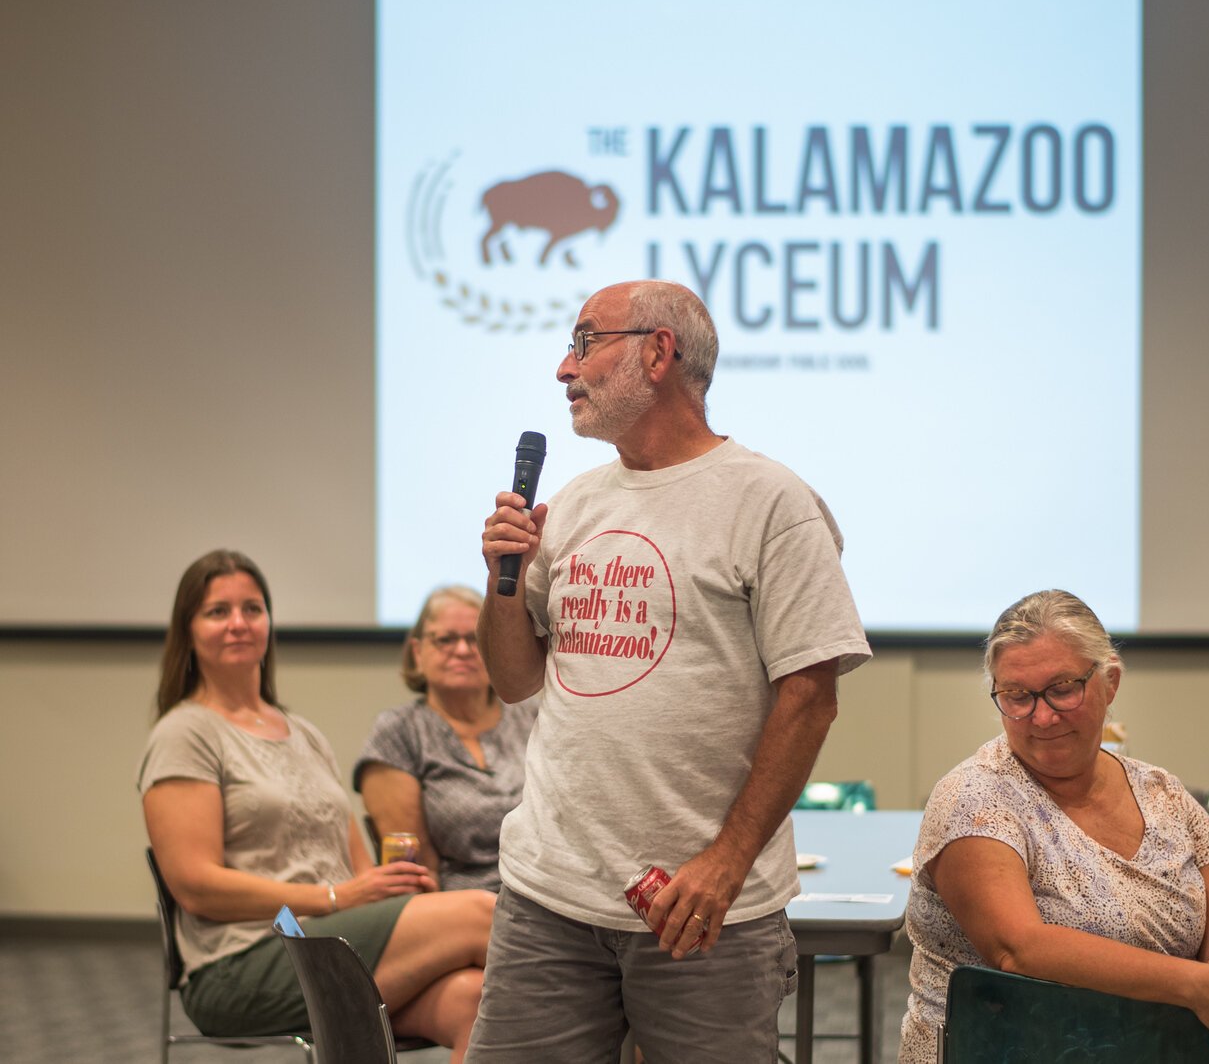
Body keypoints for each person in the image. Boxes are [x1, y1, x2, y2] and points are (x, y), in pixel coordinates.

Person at [469, 278, 872, 1063]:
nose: (563, 367)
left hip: (698, 913)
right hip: (549, 895)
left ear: (659, 353)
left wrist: (726, 863)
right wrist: (502, 579)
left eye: (587, 342)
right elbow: (515, 679)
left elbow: (810, 699)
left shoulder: (771, 502)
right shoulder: (578, 501)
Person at [139, 550, 494, 1063]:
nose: (239, 623)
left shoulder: (300, 732)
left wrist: (384, 889)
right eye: (219, 611)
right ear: (188, 630)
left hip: (332, 942)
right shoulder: (183, 734)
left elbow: (358, 867)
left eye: (253, 609)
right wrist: (334, 897)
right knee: (482, 914)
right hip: (243, 963)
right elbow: (195, 887)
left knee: (474, 1000)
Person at [898, 589, 1209, 1063]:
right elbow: (1021, 948)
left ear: (1110, 682)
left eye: (1062, 689)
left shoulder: (1164, 794)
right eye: (1016, 697)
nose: (1041, 715)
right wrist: (1194, 985)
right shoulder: (974, 798)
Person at [354, 585, 536, 891]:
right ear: (417, 653)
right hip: (463, 903)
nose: (463, 651)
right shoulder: (399, 732)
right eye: (446, 640)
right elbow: (418, 875)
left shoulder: (533, 717)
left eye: (475, 638)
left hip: (546, 894)